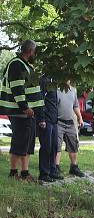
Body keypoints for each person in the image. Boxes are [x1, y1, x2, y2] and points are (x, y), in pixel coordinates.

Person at [0, 40, 44, 181]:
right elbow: (17, 87)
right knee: (19, 142)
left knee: (27, 143)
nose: (35, 55)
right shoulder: (16, 64)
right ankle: (13, 173)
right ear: (30, 51)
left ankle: (24, 173)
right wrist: (25, 107)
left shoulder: (26, 65)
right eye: (35, 52)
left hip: (27, 112)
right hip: (20, 111)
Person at [55, 79, 85, 177]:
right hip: (58, 122)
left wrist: (80, 118)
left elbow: (75, 106)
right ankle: (56, 167)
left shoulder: (73, 90)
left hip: (70, 122)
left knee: (73, 145)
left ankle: (74, 167)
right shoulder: (56, 90)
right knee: (57, 146)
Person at [36, 73, 59, 182]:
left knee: (54, 145)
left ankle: (52, 171)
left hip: (54, 120)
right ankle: (44, 173)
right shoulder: (44, 80)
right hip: (46, 119)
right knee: (46, 146)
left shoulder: (55, 81)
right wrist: (41, 118)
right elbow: (40, 99)